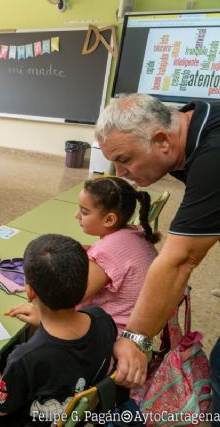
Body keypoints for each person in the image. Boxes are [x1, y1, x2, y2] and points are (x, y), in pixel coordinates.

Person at [93, 94, 220, 401]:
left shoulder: (213, 154)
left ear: (162, 140)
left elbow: (180, 260)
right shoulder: (191, 124)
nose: (119, 172)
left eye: (124, 159)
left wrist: (135, 340)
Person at [0, 234, 117, 426]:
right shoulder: (102, 319)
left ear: (30, 292)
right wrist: (44, 324)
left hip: (21, 419)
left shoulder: (26, 358)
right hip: (70, 414)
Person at [9, 176, 159, 334]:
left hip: (112, 337)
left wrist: (44, 317)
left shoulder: (106, 254)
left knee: (34, 326)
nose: (77, 216)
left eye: (84, 212)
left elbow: (68, 300)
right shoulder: (133, 232)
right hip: (139, 327)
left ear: (109, 219)